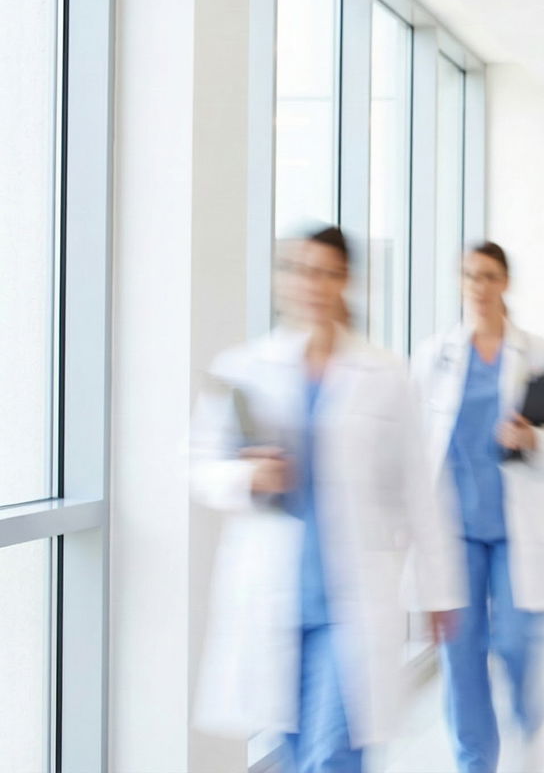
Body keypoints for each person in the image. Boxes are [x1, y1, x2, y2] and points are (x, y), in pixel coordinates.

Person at [191, 226, 465, 773]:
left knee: (332, 753)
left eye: (325, 272)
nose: (310, 284)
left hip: (353, 602)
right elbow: (198, 463)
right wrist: (247, 478)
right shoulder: (244, 367)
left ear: (346, 282)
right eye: (297, 269)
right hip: (274, 595)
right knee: (294, 752)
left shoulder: (384, 374)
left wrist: (440, 589)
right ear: (280, 280)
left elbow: (419, 490)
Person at [412, 241, 544, 773]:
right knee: (460, 657)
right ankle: (474, 762)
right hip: (452, 530)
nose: (478, 287)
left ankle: (531, 718)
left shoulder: (539, 353)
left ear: (504, 282)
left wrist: (535, 438)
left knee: (514, 643)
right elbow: (414, 444)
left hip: (513, 531)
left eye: (488, 276)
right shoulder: (433, 355)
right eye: (468, 276)